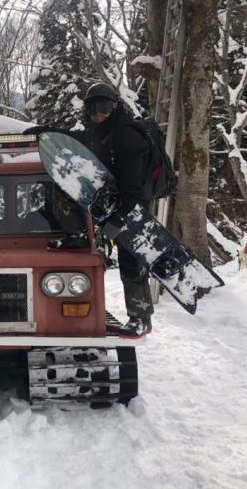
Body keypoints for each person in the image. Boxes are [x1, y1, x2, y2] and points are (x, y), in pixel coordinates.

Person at [25, 83, 156, 338]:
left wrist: (119, 218)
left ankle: (141, 318)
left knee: (131, 259)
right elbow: (80, 142)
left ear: (114, 107)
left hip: (133, 203)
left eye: (104, 107)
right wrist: (50, 132)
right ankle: (78, 235)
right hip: (114, 196)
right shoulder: (102, 131)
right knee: (68, 185)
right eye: (93, 108)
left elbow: (133, 188)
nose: (98, 113)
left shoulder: (127, 136)